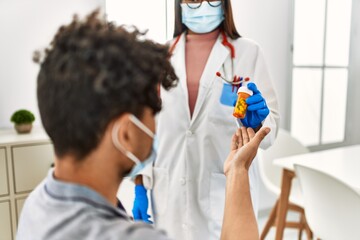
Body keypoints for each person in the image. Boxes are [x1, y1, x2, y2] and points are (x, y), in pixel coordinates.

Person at [16, 10, 270, 240]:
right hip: (178, 192)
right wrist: (237, 172)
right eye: (153, 108)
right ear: (125, 134)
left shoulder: (37, 203)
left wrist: (258, 123)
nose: (156, 123)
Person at [132, 0, 280, 239]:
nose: (201, 4)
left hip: (224, 190)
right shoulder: (161, 56)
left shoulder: (248, 52)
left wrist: (259, 123)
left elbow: (271, 128)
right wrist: (140, 182)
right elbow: (148, 128)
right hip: (169, 192)